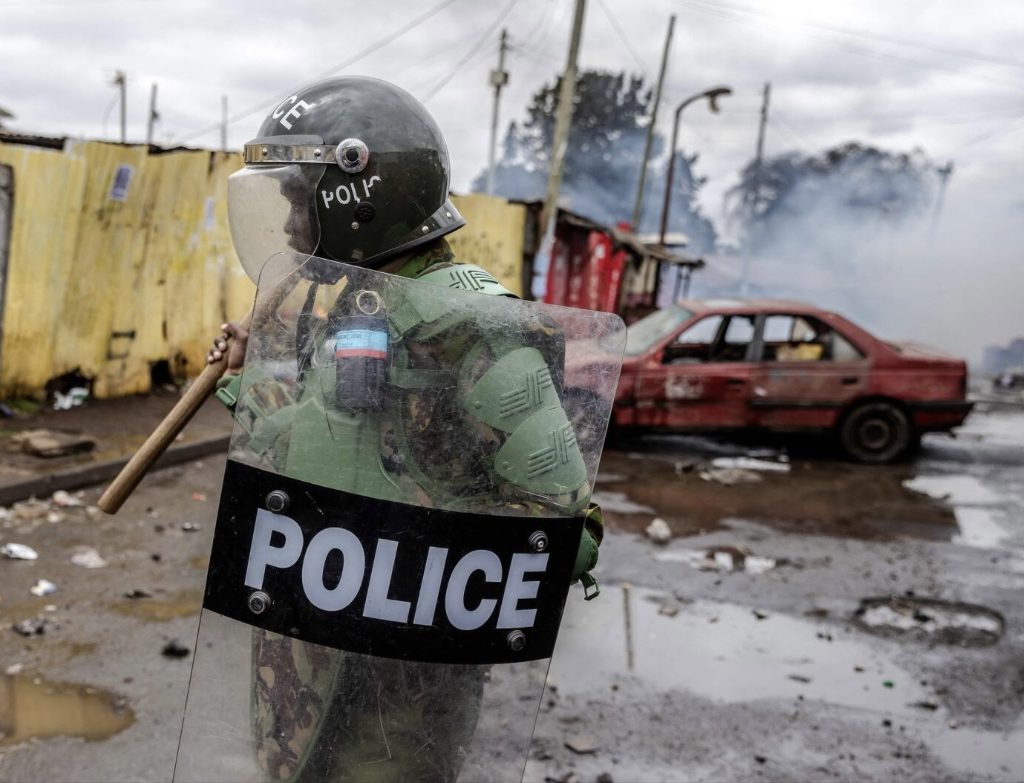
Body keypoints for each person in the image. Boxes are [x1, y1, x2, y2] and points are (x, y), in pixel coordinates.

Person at [205, 76, 606, 783]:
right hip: (306, 679)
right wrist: (247, 379)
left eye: (301, 200)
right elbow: (323, 442)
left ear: (360, 197)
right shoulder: (354, 305)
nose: (293, 223)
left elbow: (565, 531)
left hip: (398, 711)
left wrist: (418, 550)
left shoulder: (477, 332)